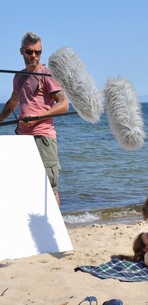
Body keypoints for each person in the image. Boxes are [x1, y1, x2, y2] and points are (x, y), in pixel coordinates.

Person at [0, 32, 69, 205]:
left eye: (38, 52)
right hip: (23, 138)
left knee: (49, 187)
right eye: (30, 52)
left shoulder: (47, 74)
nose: (34, 56)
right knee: (26, 185)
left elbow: (63, 104)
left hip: (43, 137)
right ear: (21, 51)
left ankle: (54, 229)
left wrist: (37, 118)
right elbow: (12, 102)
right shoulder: (18, 77)